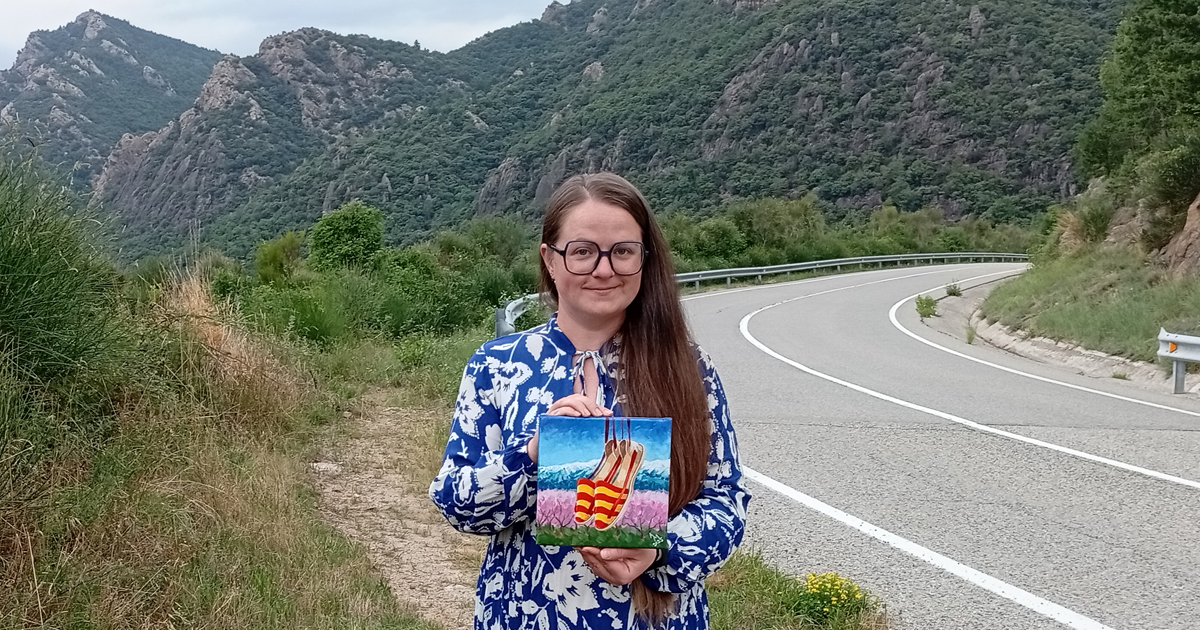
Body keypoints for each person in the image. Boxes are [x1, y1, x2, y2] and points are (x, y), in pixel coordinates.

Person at [429, 173, 749, 629]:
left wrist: (660, 548)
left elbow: (726, 500)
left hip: (655, 618)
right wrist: (532, 455)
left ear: (644, 259)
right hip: (524, 615)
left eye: (622, 251)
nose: (604, 269)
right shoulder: (498, 365)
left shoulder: (688, 369)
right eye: (582, 252)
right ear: (551, 260)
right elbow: (455, 499)